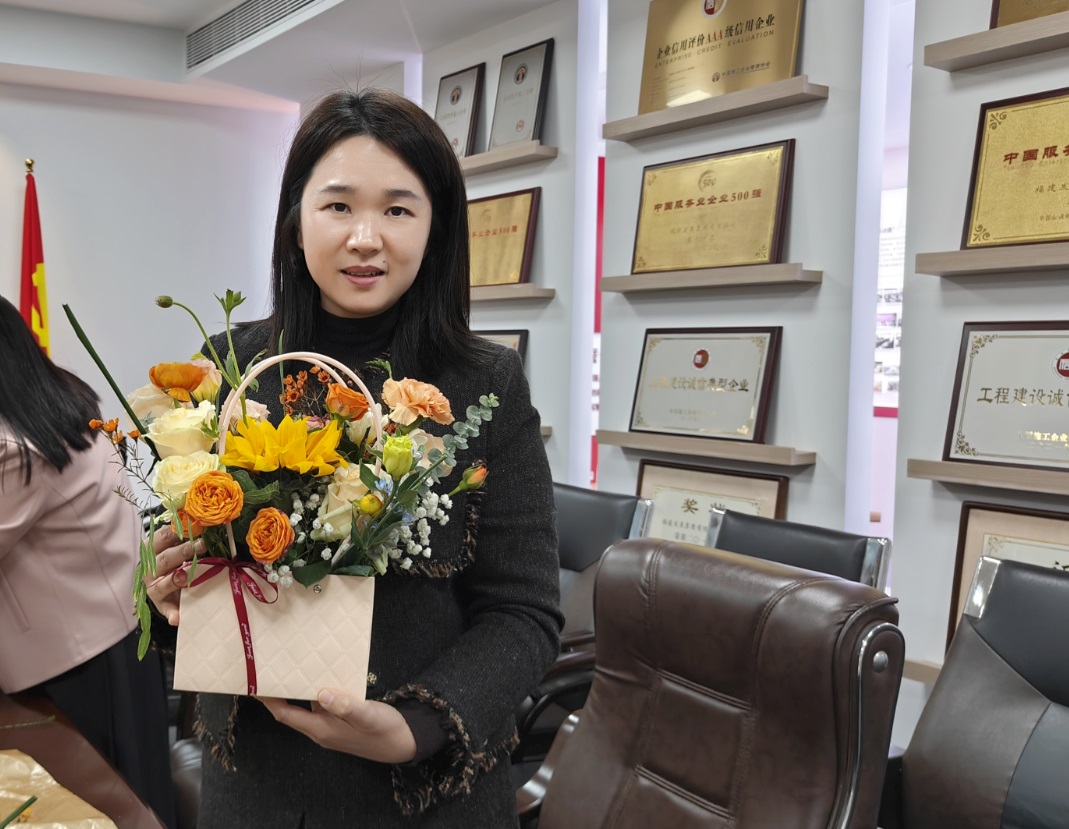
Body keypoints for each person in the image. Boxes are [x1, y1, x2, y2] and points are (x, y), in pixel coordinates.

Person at [147, 88, 562, 827]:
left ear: (435, 229)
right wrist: (169, 580)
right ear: (296, 220)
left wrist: (416, 726)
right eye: (338, 205)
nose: (365, 238)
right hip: (255, 786)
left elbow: (524, 611)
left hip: (423, 795)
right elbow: (182, 551)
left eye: (398, 210)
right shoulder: (233, 365)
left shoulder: (484, 383)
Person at [0, 295, 177, 828]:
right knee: (136, 796)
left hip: (74, 659)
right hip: (112, 636)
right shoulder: (59, 404)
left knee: (108, 810)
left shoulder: (17, 449)